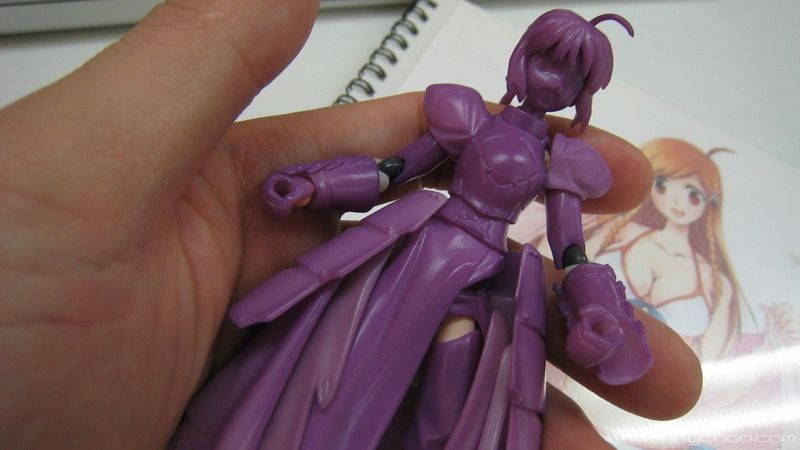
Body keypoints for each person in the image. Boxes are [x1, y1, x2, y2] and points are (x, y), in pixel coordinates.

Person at [0, 1, 700, 448]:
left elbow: (572, 250)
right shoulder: (464, 117)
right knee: (330, 361)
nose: (552, 80)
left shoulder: (563, 161)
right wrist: (318, 184)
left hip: (478, 283)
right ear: (523, 56)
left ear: (582, 93)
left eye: (570, 76)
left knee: (451, 397)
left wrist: (597, 314)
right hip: (408, 252)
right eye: (546, 59)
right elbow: (395, 170)